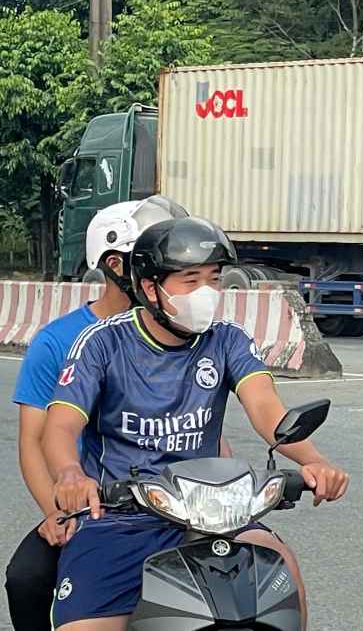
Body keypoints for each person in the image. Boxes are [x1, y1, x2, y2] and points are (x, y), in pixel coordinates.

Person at [42, 216, 348, 631]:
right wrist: (68, 474)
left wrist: (317, 464)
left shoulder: (228, 339)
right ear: (150, 288)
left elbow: (267, 411)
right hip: (123, 516)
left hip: (212, 514)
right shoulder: (103, 342)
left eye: (214, 279)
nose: (206, 293)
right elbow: (60, 426)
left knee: (284, 572)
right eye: (190, 280)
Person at [5, 196, 192, 631]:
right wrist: (55, 510)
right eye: (155, 263)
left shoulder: (184, 333)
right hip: (98, 506)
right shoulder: (58, 342)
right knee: (27, 580)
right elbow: (35, 439)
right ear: (116, 266)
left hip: (180, 503)